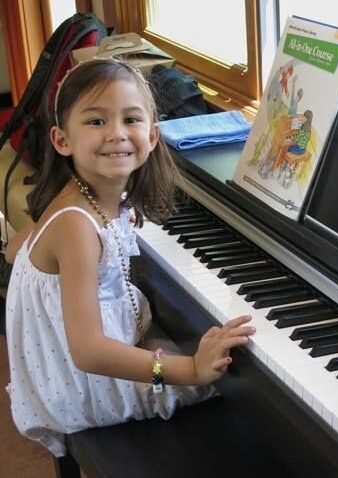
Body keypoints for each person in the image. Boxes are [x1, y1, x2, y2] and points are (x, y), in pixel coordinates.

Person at [5, 58, 255, 457]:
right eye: (96, 121)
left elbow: (14, 249)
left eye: (131, 119)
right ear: (61, 140)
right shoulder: (75, 225)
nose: (117, 133)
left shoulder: (83, 198)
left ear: (153, 136)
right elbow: (88, 352)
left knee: (210, 350)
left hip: (71, 370)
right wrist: (191, 370)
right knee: (238, 379)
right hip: (84, 386)